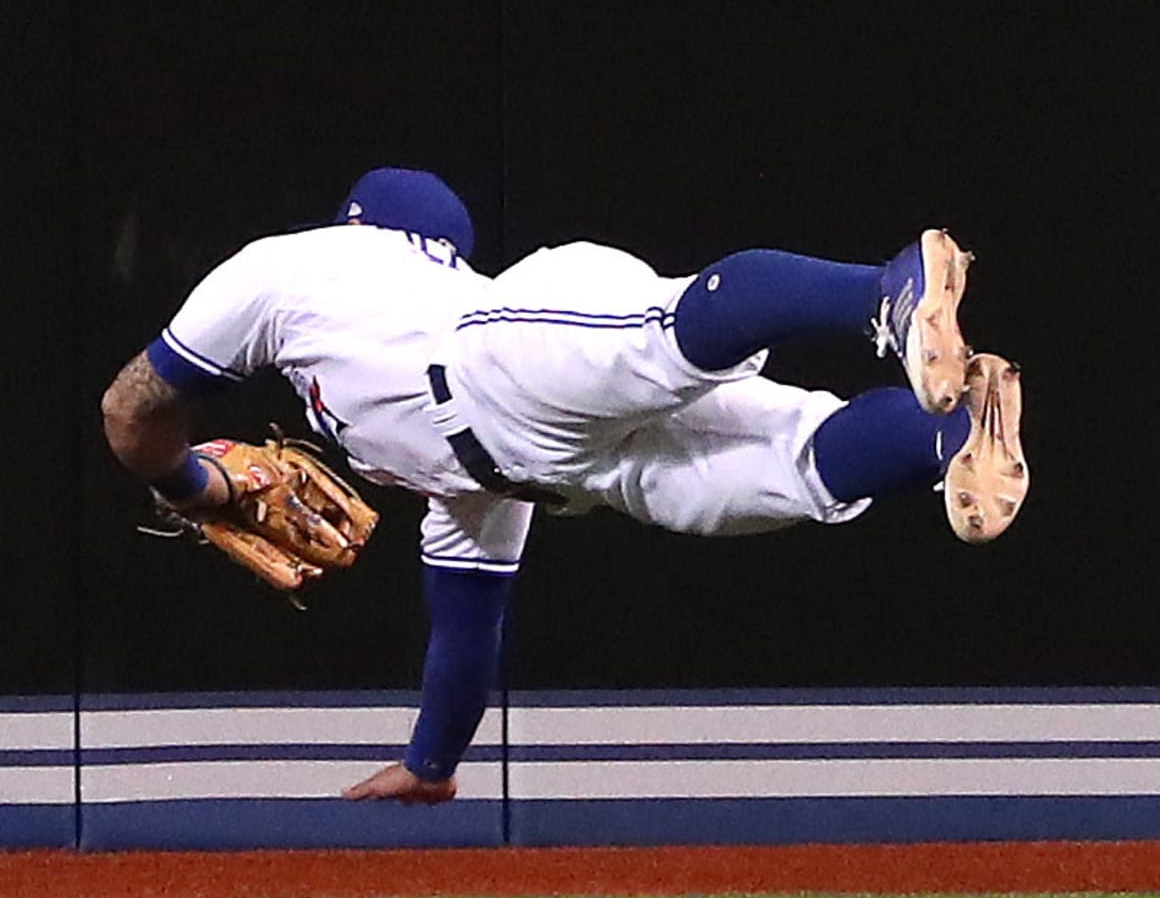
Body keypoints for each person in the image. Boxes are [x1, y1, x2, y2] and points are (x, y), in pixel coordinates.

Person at [101, 168, 1028, 807]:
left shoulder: (297, 265)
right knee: (794, 462)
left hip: (493, 356)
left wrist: (191, 484)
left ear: (359, 224)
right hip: (554, 466)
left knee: (667, 331)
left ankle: (887, 291)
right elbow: (466, 617)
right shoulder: (457, 489)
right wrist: (431, 762)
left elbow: (129, 409)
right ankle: (952, 432)